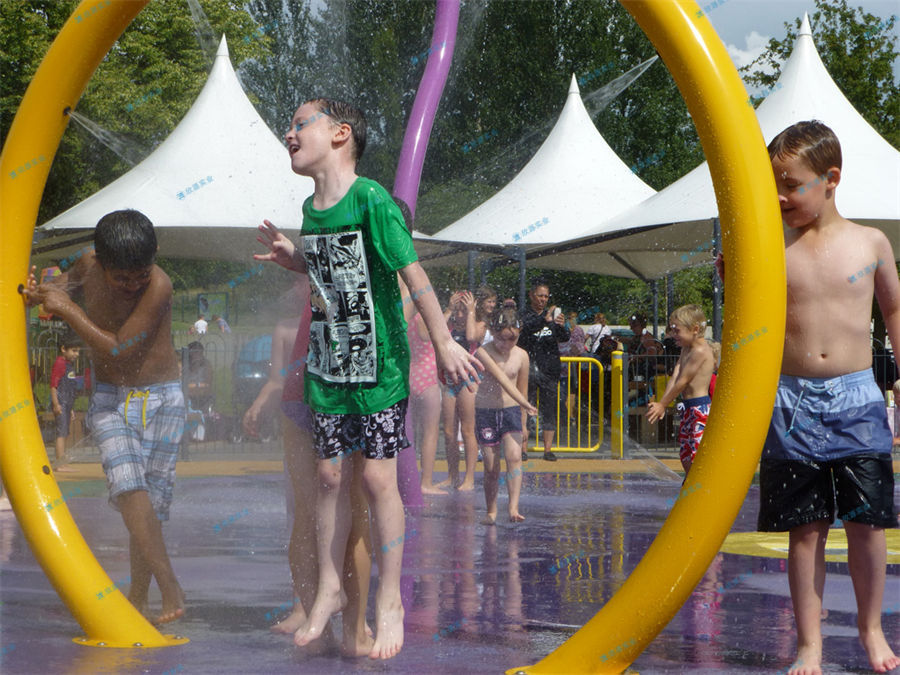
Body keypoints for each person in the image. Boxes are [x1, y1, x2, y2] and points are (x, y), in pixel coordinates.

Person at [253, 97, 481, 660]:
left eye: (299, 123)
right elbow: (339, 273)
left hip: (377, 370)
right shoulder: (312, 209)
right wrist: (297, 260)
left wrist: (446, 339)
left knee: (378, 483)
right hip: (328, 371)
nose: (288, 133)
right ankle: (330, 586)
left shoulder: (371, 198)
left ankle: (389, 599)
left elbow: (413, 273)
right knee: (330, 479)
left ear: (339, 134)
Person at [718, 120, 899, 675]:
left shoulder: (869, 243)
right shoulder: (770, 245)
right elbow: (745, 319)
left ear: (831, 180)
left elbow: (893, 310)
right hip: (790, 401)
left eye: (790, 184)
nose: (778, 196)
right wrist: (731, 274)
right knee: (806, 529)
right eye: (772, 184)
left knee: (868, 526)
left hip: (856, 399)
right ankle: (810, 643)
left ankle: (871, 629)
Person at [24, 209, 185, 624]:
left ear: (155, 258)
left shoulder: (160, 286)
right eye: (122, 278)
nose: (133, 285)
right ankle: (171, 587)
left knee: (149, 503)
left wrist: (67, 310)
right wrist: (38, 293)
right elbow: (56, 292)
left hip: (163, 398)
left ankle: (138, 595)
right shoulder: (86, 264)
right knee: (128, 486)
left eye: (140, 274)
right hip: (112, 397)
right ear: (99, 258)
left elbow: (118, 349)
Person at [248, 277, 373, 656]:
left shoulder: (323, 252)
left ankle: (319, 629)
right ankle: (354, 634)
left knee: (307, 513)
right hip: (349, 387)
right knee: (354, 511)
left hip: (303, 389)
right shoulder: (375, 261)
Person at [475, 308, 537, 524]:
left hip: (511, 411)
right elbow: (501, 378)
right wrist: (526, 404)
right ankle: (491, 511)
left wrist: (524, 422)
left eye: (514, 339)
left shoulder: (521, 356)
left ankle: (513, 508)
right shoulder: (483, 352)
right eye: (503, 339)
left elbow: (522, 388)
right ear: (493, 331)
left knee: (514, 457)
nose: (508, 345)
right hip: (486, 412)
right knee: (491, 466)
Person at [645, 305, 715, 475]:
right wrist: (663, 401)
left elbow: (683, 380)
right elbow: (676, 375)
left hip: (700, 409)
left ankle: (700, 485)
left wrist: (662, 404)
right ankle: (690, 482)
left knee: (697, 454)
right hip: (688, 407)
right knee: (684, 453)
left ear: (695, 329)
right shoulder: (686, 348)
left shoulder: (700, 351)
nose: (673, 335)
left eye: (677, 331)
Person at [399, 280, 444, 494]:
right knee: (430, 432)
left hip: (409, 376)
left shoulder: (405, 319)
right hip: (427, 379)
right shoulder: (423, 319)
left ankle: (407, 478)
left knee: (409, 432)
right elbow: (430, 337)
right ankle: (425, 482)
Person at [517, 279, 569, 462]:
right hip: (528, 369)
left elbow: (564, 338)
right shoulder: (524, 314)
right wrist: (544, 319)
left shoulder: (552, 317)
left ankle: (548, 450)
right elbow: (525, 331)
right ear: (531, 295)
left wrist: (561, 325)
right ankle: (523, 449)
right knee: (526, 407)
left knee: (550, 409)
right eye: (540, 296)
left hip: (549, 369)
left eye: (546, 296)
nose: (543, 300)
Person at [441, 290, 480, 490]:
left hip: (468, 381)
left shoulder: (478, 326)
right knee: (448, 432)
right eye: (458, 311)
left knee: (467, 430)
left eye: (463, 311)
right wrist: (448, 309)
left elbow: (472, 336)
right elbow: (432, 332)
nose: (460, 315)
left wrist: (471, 311)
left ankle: (470, 478)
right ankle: (452, 475)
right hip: (450, 381)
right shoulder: (448, 327)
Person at [50, 334, 81, 470]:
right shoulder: (60, 364)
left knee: (65, 432)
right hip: (61, 403)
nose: (77, 354)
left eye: (78, 351)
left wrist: (71, 408)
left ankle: (62, 460)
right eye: (74, 350)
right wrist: (56, 404)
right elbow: (53, 385)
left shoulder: (68, 364)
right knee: (61, 433)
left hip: (67, 404)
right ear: (64, 349)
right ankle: (59, 464)